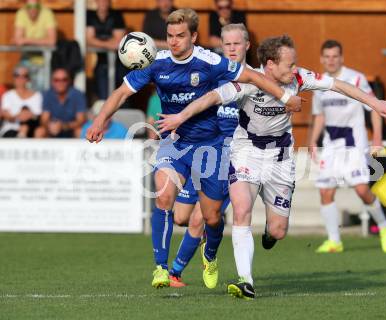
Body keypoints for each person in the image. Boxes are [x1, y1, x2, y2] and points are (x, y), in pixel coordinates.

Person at [156, 35, 386, 299]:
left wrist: (374, 103)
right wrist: (180, 116)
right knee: (242, 210)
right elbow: (212, 97)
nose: (294, 69)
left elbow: (337, 85)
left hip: (280, 159)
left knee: (278, 230)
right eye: (289, 64)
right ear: (270, 64)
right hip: (246, 153)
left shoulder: (298, 79)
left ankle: (270, 236)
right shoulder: (248, 82)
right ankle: (245, 280)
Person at [86, 9, 303, 290]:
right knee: (163, 196)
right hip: (175, 143)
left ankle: (210, 254)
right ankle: (161, 269)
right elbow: (121, 93)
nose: (173, 41)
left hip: (210, 148)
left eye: (180, 36)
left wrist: (286, 96)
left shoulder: (210, 62)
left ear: (194, 36)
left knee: (211, 218)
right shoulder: (155, 63)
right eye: (169, 36)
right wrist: (100, 120)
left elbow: (253, 77)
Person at [167, 23, 249, 288]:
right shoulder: (211, 77)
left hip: (231, 159)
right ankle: (208, 242)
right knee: (181, 216)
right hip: (202, 153)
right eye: (228, 44)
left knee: (199, 219)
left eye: (237, 43)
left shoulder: (253, 79)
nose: (232, 48)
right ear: (221, 46)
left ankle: (177, 272)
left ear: (247, 45)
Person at [309, 40, 386, 255]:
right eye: (327, 56)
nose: (331, 60)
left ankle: (384, 226)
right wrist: (312, 139)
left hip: (355, 145)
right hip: (331, 147)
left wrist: (377, 136)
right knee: (325, 192)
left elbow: (374, 106)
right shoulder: (318, 84)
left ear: (342, 57)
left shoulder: (355, 78)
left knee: (362, 191)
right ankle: (334, 241)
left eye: (335, 56)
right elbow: (319, 114)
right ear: (322, 59)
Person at [86, 0, 127, 100]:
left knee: (123, 94)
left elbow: (119, 41)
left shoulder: (116, 15)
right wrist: (109, 44)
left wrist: (98, 41)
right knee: (103, 94)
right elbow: (88, 39)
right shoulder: (90, 15)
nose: (103, 2)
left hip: (120, 63)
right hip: (100, 62)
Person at [13, 0, 57, 91]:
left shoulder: (47, 13)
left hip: (44, 61)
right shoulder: (21, 13)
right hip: (26, 60)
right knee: (21, 86)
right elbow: (17, 39)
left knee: (41, 92)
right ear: (25, 6)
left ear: (40, 6)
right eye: (29, 7)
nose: (32, 9)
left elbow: (52, 41)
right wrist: (41, 41)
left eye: (36, 6)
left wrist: (26, 40)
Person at [35, 68, 87, 138]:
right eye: (56, 80)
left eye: (64, 79)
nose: (60, 83)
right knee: (40, 131)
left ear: (69, 81)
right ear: (52, 82)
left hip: (70, 130)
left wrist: (63, 126)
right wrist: (50, 126)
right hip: (52, 129)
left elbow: (81, 120)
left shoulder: (78, 95)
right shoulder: (47, 94)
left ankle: (83, 149)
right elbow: (44, 120)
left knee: (80, 131)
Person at [0, 66, 42, 138]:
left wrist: (29, 115)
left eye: (24, 76)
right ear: (13, 78)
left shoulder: (37, 96)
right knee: (23, 128)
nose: (20, 78)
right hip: (11, 129)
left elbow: (39, 115)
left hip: (32, 128)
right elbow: (5, 114)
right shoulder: (7, 95)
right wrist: (18, 116)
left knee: (39, 131)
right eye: (17, 75)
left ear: (28, 79)